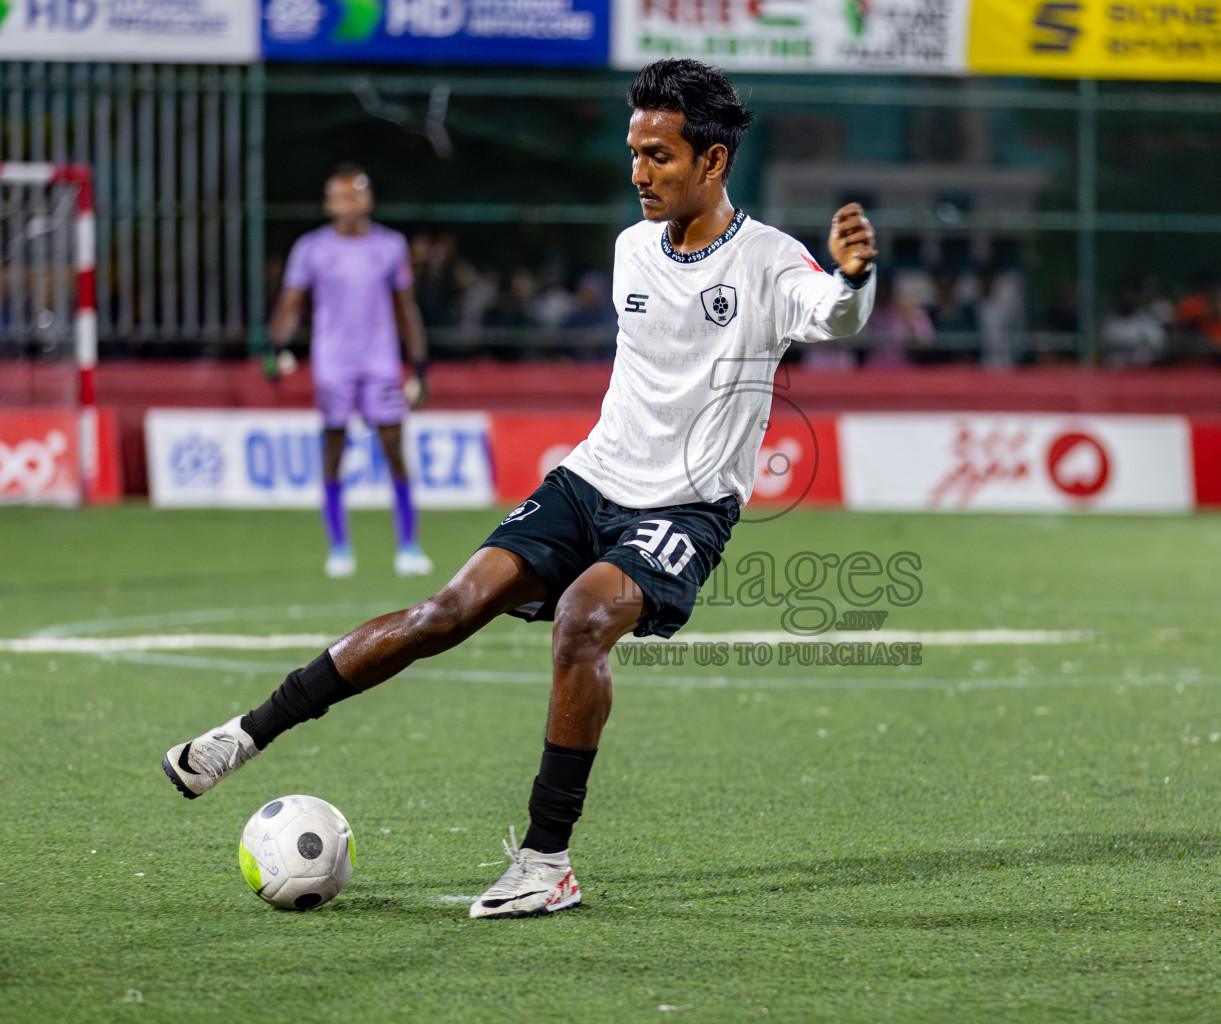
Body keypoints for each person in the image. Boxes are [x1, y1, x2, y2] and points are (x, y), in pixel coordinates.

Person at [161, 59, 877, 920]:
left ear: (714, 162)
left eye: (659, 155)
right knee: (443, 613)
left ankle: (545, 864)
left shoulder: (767, 260)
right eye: (633, 152)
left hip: (686, 506)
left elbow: (830, 314)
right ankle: (242, 738)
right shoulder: (631, 249)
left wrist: (852, 280)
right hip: (588, 479)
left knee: (583, 619)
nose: (639, 171)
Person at [269, 166, 432, 579]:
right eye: (338, 197)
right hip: (333, 365)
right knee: (333, 452)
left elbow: (404, 307)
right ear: (327, 204)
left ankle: (409, 545)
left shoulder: (390, 245)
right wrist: (275, 347)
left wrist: (418, 363)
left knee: (394, 449)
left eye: (354, 195)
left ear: (368, 199)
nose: (347, 204)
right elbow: (292, 302)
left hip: (380, 362)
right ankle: (339, 546)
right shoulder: (311, 249)